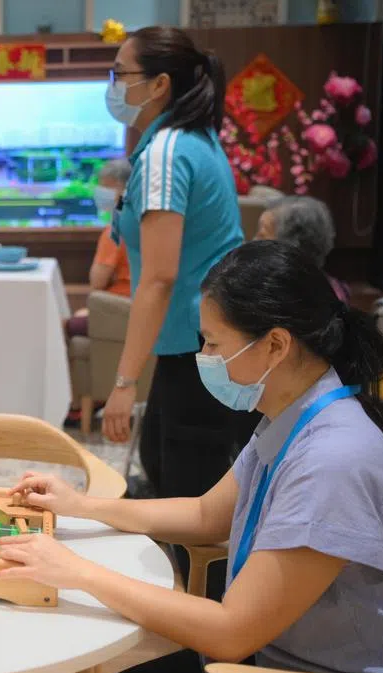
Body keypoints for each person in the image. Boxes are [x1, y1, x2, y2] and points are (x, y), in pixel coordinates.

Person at [0, 240, 383, 673]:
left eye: (214, 344)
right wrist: (82, 505)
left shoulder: (334, 459)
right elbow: (207, 514)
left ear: (276, 345)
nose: (204, 358)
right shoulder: (295, 413)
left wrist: (77, 571)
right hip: (279, 654)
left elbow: (232, 632)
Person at [103, 27, 258, 589]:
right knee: (173, 479)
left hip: (203, 348)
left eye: (121, 73)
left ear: (160, 84)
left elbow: (161, 276)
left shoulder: (169, 150)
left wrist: (123, 381)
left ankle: (208, 646)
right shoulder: (188, 139)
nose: (114, 85)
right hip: (200, 347)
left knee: (192, 502)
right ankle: (196, 629)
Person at [67, 158, 134, 338]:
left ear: (125, 189)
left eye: (107, 187)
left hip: (120, 308)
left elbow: (97, 281)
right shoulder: (153, 222)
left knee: (67, 325)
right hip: (150, 310)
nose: (101, 193)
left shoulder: (116, 230)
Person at [254, 194, 349, 304]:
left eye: (261, 235)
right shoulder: (328, 285)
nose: (254, 240)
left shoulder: (279, 303)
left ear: (291, 247)